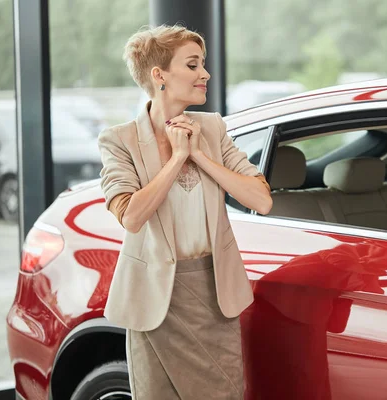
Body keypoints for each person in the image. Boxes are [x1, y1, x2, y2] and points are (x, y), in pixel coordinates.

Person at [97, 24, 273, 400]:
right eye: (193, 65)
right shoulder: (119, 140)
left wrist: (198, 154)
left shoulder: (212, 128)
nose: (204, 74)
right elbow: (131, 216)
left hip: (213, 296)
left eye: (203, 64)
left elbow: (261, 200)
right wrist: (177, 158)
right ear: (159, 75)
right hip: (154, 302)